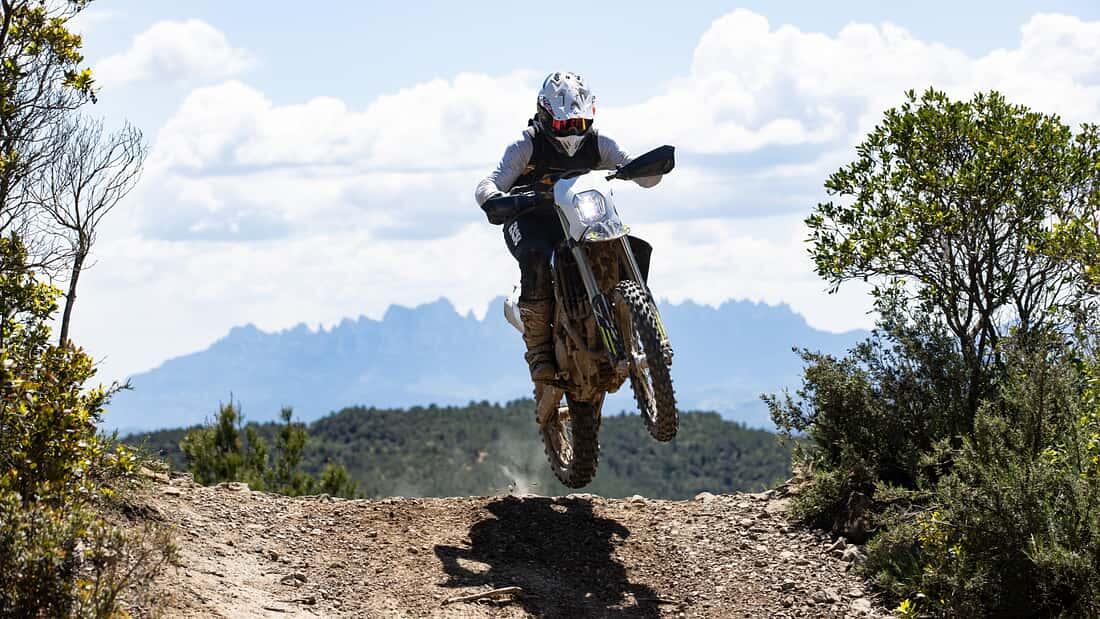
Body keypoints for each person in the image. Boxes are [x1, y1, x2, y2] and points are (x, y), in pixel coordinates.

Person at [475, 71, 662, 383]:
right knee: (535, 257)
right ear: (544, 115)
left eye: (580, 123)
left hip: (581, 216)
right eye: (564, 125)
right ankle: (539, 351)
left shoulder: (600, 143)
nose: (573, 132)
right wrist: (495, 198)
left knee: (629, 242)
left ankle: (639, 323)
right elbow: (490, 182)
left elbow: (632, 166)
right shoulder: (525, 146)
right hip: (530, 218)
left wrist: (646, 170)